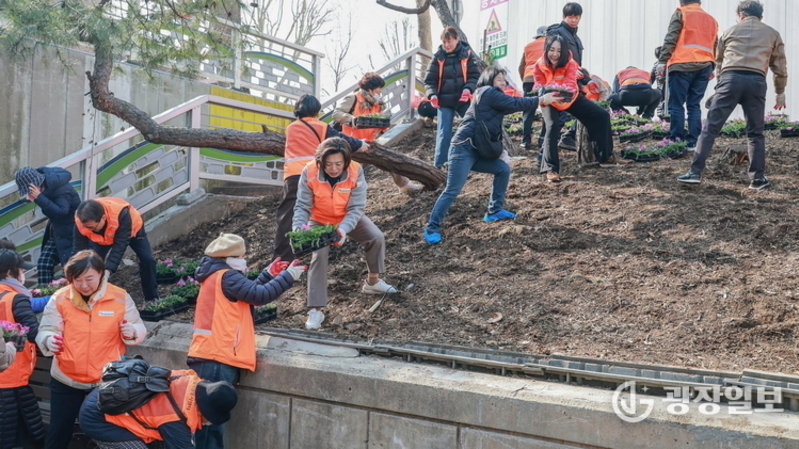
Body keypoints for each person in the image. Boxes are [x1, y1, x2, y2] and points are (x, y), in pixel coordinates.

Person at [187, 233, 305, 448]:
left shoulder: (216, 275)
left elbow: (247, 293)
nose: (244, 260)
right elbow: (259, 296)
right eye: (241, 256)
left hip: (211, 354)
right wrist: (288, 276)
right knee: (210, 425)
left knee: (206, 422)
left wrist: (268, 275)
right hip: (218, 355)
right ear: (229, 257)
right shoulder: (227, 276)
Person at [423, 67, 562, 245]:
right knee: (453, 190)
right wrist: (541, 99)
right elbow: (516, 103)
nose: (503, 82)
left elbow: (513, 105)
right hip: (463, 148)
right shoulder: (488, 91)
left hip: (478, 149)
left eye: (504, 79)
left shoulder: (492, 100)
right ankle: (431, 227)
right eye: (499, 79)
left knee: (502, 169)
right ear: (489, 80)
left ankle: (494, 211)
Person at [36, 250, 147, 449]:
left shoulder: (120, 297)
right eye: (77, 280)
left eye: (89, 279)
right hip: (66, 379)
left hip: (105, 382)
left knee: (107, 432)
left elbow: (138, 328)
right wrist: (49, 340)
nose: (84, 285)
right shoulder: (60, 298)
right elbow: (47, 329)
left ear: (101, 273)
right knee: (59, 431)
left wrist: (131, 331)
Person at [677, 0, 787, 190]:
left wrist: (721, 86)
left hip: (730, 79)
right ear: (760, 17)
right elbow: (780, 68)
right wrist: (780, 92)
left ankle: (695, 173)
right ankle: (757, 178)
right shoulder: (772, 33)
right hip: (756, 82)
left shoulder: (729, 31)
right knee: (755, 133)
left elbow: (719, 62)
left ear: (741, 15)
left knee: (710, 129)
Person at [293, 138, 398, 330]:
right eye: (328, 164)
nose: (334, 168)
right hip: (319, 220)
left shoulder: (356, 171)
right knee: (319, 254)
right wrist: (299, 228)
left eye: (338, 164)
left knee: (376, 237)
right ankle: (315, 309)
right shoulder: (309, 171)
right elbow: (302, 206)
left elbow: (356, 207)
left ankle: (373, 282)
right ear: (320, 162)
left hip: (347, 216)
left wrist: (342, 229)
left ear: (346, 161)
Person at [274, 94, 369, 262]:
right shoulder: (321, 126)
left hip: (292, 174)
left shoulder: (291, 128)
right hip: (313, 173)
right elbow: (341, 140)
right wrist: (360, 144)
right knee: (316, 210)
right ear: (316, 110)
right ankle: (313, 247)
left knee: (288, 215)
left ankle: (282, 258)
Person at [535, 34, 630, 183]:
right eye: (552, 50)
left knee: (601, 115)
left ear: (564, 52)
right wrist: (545, 92)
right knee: (552, 126)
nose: (555, 54)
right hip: (549, 98)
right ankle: (551, 169)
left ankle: (605, 157)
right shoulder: (540, 64)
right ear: (546, 49)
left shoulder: (570, 63)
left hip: (569, 95)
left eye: (559, 51)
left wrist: (565, 93)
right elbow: (539, 81)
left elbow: (570, 84)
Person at [79, 373, 237, 449]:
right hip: (98, 418)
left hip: (106, 397)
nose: (208, 423)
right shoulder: (175, 419)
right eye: (210, 418)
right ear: (204, 411)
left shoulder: (188, 381)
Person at [333, 72, 423, 193]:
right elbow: (336, 114)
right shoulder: (353, 98)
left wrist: (381, 129)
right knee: (349, 173)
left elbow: (376, 121)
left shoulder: (377, 103)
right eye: (379, 88)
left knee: (390, 160)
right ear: (371, 88)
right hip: (353, 144)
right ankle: (340, 194)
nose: (380, 91)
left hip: (371, 143)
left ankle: (404, 185)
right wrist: (352, 119)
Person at [657, 0, 718, 149]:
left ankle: (676, 140)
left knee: (676, 105)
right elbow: (714, 44)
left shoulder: (681, 13)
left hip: (682, 64)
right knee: (694, 105)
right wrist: (712, 65)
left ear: (682, 2)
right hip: (704, 65)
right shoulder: (711, 19)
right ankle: (694, 141)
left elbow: (671, 38)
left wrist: (662, 60)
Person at [73, 197, 159, 302]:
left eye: (92, 227)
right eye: (87, 227)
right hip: (102, 239)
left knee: (147, 259)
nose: (89, 230)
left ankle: (152, 299)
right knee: (93, 264)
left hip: (132, 231)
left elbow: (120, 245)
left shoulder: (122, 213)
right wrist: (72, 271)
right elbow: (79, 249)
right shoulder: (81, 220)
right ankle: (93, 299)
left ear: (103, 217)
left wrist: (108, 270)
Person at [0, 249, 45, 449]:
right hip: (12, 379)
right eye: (20, 269)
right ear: (11, 272)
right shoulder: (15, 298)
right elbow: (34, 333)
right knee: (24, 437)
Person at [424, 27, 480, 167]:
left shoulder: (467, 54)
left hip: (463, 99)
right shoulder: (438, 57)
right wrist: (432, 95)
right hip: (444, 101)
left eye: (449, 41)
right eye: (444, 42)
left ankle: (477, 158)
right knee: (444, 131)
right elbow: (429, 81)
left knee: (475, 126)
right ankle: (440, 164)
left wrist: (468, 89)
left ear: (457, 39)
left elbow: (474, 76)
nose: (447, 45)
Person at [15, 166, 81, 285]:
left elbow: (61, 212)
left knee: (71, 267)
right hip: (58, 231)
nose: (29, 194)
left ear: (35, 185)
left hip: (73, 230)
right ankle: (45, 293)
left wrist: (39, 197)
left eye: (29, 191)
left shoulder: (61, 188)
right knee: (43, 264)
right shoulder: (46, 187)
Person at [547, 2, 585, 152]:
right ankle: (543, 156)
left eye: (577, 17)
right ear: (564, 16)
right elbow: (552, 56)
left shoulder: (576, 37)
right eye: (570, 17)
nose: (574, 20)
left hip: (574, 81)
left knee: (588, 109)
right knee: (555, 120)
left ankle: (568, 137)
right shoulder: (556, 32)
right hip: (558, 82)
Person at [518, 26, 549, 150]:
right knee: (547, 109)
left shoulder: (528, 46)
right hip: (545, 80)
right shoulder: (550, 44)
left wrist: (525, 79)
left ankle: (525, 140)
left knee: (528, 109)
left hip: (529, 80)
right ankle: (542, 140)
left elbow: (521, 66)